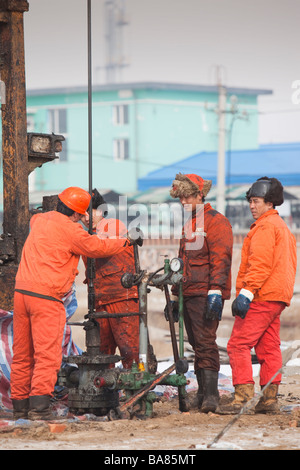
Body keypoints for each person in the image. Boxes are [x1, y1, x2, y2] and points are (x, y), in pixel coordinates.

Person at [10, 186, 133, 421]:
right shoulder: (72, 231)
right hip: (47, 298)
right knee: (47, 356)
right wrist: (125, 242)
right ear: (78, 214)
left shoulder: (38, 220)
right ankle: (39, 410)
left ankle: (19, 408)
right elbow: (97, 247)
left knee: (23, 354)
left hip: (22, 293)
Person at [221, 177, 297, 414]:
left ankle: (242, 398)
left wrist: (246, 292)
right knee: (269, 347)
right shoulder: (282, 227)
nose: (251, 206)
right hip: (277, 296)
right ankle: (268, 400)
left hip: (262, 296)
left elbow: (260, 264)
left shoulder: (265, 227)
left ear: (269, 202)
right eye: (250, 201)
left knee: (237, 344)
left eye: (256, 201)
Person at [169, 173, 233, 413]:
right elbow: (181, 263)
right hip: (189, 292)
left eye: (187, 197)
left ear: (200, 195)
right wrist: (176, 297)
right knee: (196, 344)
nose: (184, 202)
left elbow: (221, 259)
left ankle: (211, 397)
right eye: (181, 198)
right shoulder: (191, 223)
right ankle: (204, 393)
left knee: (205, 342)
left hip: (205, 293)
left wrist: (215, 291)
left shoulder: (217, 221)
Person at [81, 189, 140, 370]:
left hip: (122, 297)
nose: (85, 217)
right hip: (100, 299)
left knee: (129, 348)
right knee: (100, 352)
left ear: (100, 210)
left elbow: (102, 246)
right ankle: (105, 393)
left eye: (88, 212)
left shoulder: (111, 225)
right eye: (81, 213)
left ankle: (136, 390)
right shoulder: (86, 235)